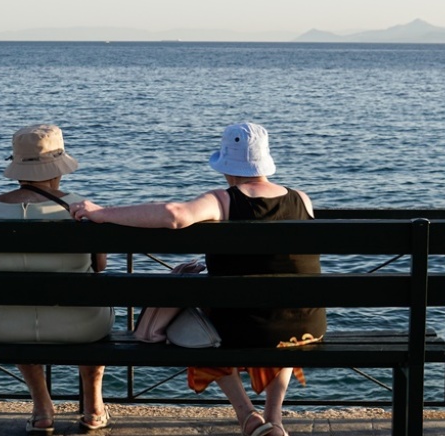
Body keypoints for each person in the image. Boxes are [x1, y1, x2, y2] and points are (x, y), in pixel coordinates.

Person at [69, 122, 324, 436]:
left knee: (199, 330)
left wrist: (103, 212)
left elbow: (176, 215)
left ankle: (247, 416)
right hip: (308, 328)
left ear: (227, 165)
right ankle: (275, 420)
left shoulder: (224, 200)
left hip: (243, 329)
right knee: (279, 315)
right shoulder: (302, 199)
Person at [0, 124, 114, 435]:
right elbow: (100, 266)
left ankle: (42, 409)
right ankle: (93, 407)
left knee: (16, 301)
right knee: (93, 300)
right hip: (82, 327)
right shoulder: (80, 209)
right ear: (58, 168)